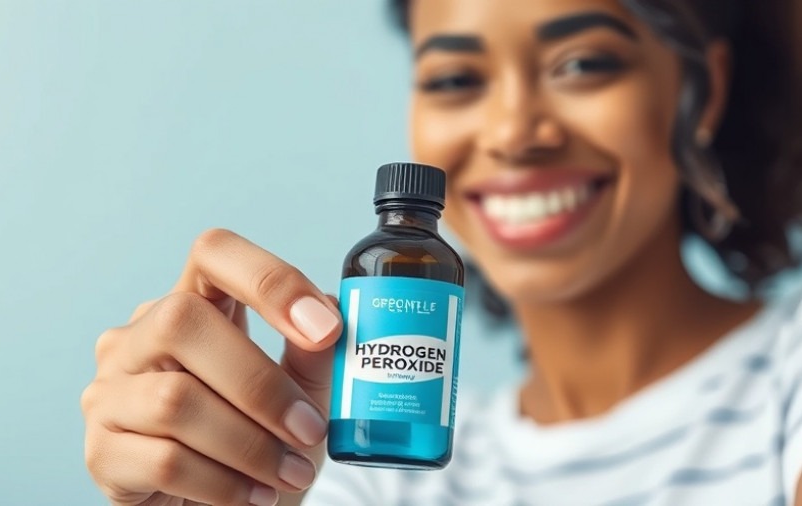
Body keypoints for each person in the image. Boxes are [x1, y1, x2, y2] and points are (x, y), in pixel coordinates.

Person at [80, 0, 802, 504]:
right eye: (455, 79)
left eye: (582, 64)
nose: (514, 132)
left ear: (701, 92)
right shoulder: (371, 468)